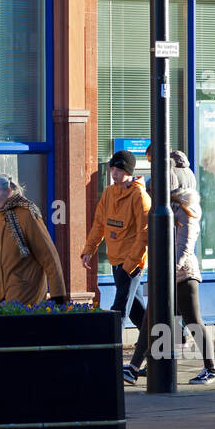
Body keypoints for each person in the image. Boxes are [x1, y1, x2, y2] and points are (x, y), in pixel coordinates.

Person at [81, 150, 151, 383]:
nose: (114, 173)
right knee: (138, 313)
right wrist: (88, 250)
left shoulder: (140, 197)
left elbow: (144, 235)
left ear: (129, 172)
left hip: (131, 263)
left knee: (119, 310)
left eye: (119, 170)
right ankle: (161, 352)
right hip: (115, 260)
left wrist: (130, 265)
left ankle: (110, 360)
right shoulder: (109, 193)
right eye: (112, 169)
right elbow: (99, 223)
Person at [0, 174, 67, 306]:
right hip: (5, 296)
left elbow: (49, 256)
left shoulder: (27, 214)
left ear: (8, 191)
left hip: (28, 295)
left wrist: (58, 295)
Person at [173, 167, 215, 383]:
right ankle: (154, 365)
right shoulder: (170, 207)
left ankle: (212, 369)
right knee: (160, 320)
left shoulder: (186, 209)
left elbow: (184, 247)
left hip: (184, 274)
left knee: (193, 321)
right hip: (171, 274)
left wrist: (172, 269)